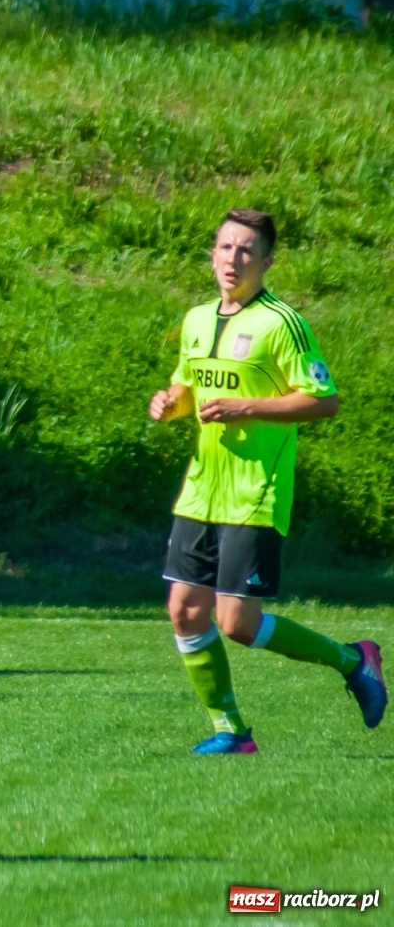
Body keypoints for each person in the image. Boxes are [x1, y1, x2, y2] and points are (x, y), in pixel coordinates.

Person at [149, 208, 385, 754]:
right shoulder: (196, 319)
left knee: (236, 622)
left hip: (255, 491)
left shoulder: (283, 323)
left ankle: (354, 660)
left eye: (246, 251)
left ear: (267, 262)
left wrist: (248, 406)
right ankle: (230, 732)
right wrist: (169, 405)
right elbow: (187, 388)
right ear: (212, 254)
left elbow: (324, 401)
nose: (233, 260)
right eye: (225, 247)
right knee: (184, 610)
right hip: (202, 488)